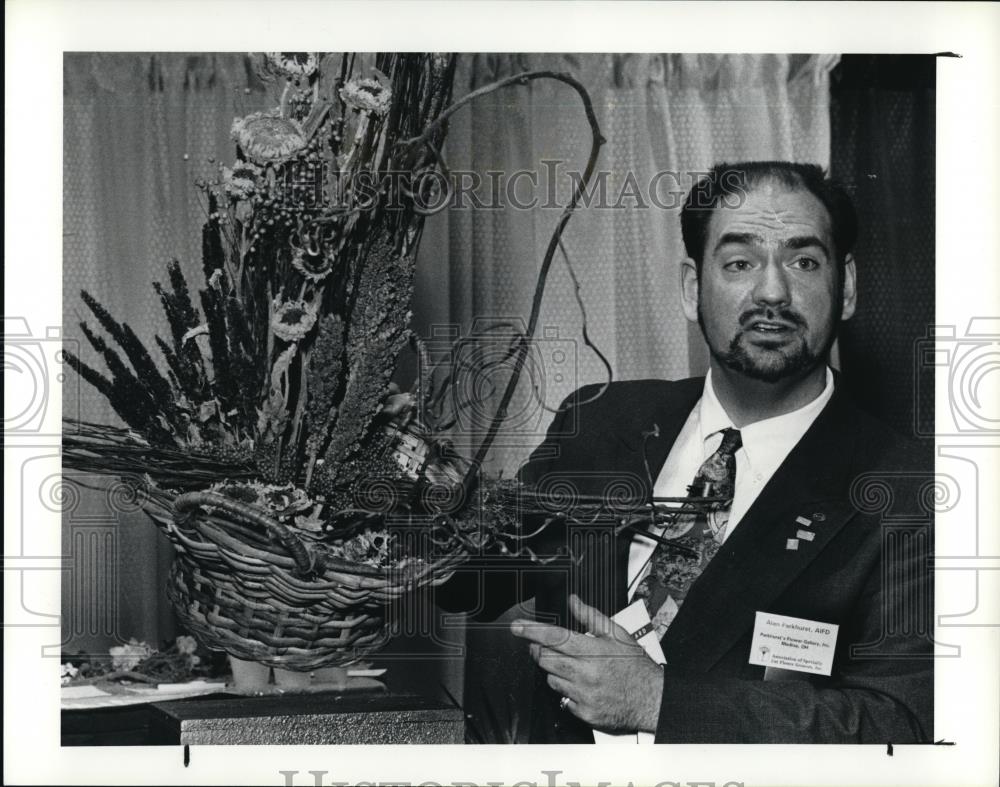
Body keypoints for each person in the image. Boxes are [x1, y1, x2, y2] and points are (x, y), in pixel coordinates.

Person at [439, 161, 934, 744]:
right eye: (739, 263)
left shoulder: (908, 491)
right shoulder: (599, 421)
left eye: (803, 262)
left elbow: (899, 727)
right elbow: (465, 580)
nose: (772, 291)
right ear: (691, 286)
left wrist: (660, 702)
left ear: (845, 288)